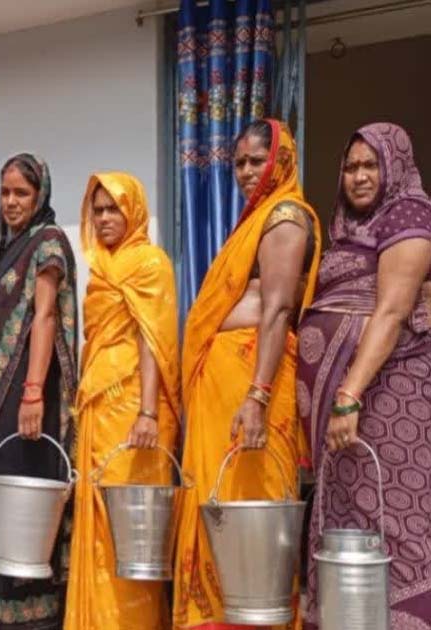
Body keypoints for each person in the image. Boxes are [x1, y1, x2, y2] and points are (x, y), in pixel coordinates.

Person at [173, 120, 320, 629]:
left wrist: (257, 396)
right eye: (238, 163)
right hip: (225, 386)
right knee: (217, 506)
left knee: (251, 516)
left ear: (282, 161)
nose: (246, 171)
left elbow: (277, 310)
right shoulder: (255, 221)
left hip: (253, 386)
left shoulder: (285, 217)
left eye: (257, 160)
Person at [297, 123, 431, 628]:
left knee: (393, 519)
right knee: (349, 522)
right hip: (350, 414)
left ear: (394, 166)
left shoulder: (409, 214)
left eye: (370, 165)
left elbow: (392, 310)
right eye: (350, 166)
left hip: (389, 395)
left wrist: (349, 395)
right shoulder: (348, 231)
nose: (358, 176)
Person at [0, 153, 78, 630]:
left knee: (20, 497)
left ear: (39, 195)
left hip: (25, 397)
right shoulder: (12, 246)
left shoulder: (48, 242)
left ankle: (27, 615)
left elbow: (44, 316)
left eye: (21, 193)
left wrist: (32, 393)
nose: (10, 202)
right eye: (5, 192)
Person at [63, 172, 180, 630]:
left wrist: (147, 412)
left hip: (135, 410)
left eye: (114, 208)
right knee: (96, 522)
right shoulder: (100, 268)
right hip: (98, 405)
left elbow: (153, 340)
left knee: (132, 531)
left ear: (133, 211)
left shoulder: (150, 263)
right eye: (98, 210)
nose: (104, 218)